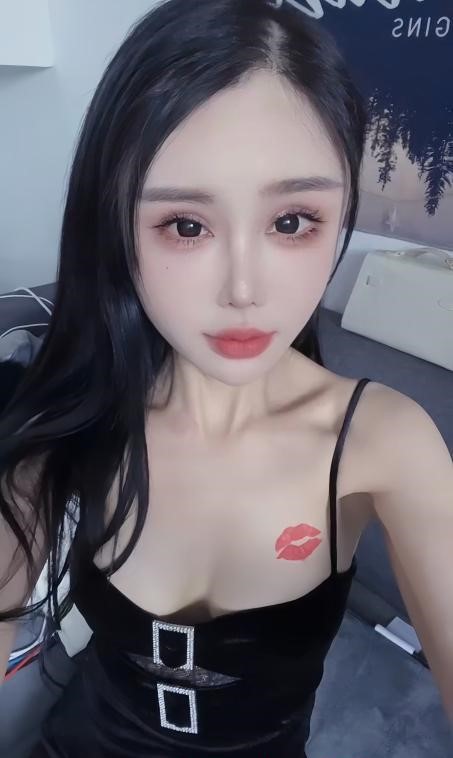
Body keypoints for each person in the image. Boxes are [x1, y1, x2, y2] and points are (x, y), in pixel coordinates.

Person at [1, 0, 452, 756]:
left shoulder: (382, 442)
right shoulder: (73, 410)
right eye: (186, 225)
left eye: (291, 222)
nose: (245, 289)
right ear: (116, 227)